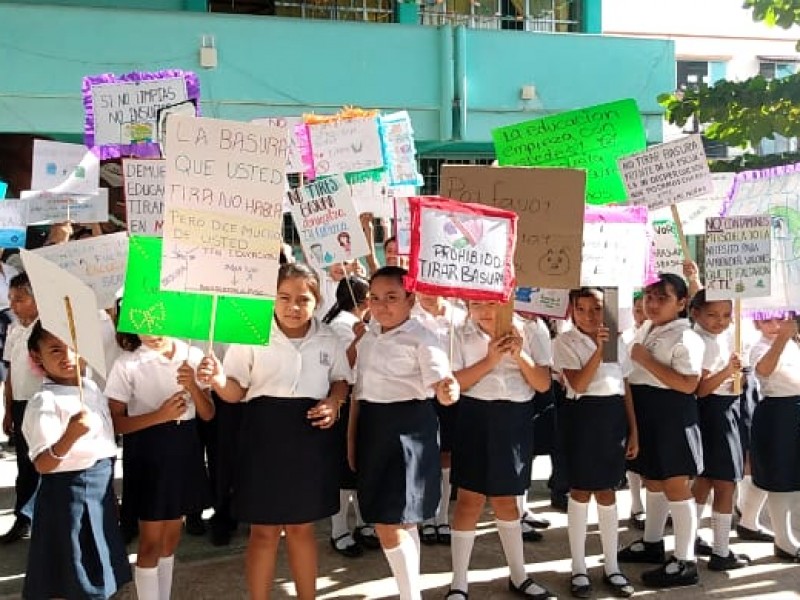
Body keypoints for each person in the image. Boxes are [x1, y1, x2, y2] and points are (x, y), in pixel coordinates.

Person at [199, 263, 351, 600]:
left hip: (310, 441)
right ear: (271, 297)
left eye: (303, 299)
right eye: (284, 297)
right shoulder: (252, 333)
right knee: (263, 532)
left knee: (301, 529)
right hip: (262, 441)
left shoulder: (329, 338)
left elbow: (341, 378)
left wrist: (334, 402)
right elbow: (235, 392)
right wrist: (217, 379)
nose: (292, 306)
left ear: (318, 300)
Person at [348, 266, 458, 600]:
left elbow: (441, 384)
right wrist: (352, 438)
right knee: (402, 521)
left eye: (392, 297)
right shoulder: (369, 334)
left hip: (407, 429)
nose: (382, 305)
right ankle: (410, 592)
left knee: (390, 520)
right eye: (375, 298)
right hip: (373, 426)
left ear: (411, 299)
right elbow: (358, 387)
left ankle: (410, 597)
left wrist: (447, 389)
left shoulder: (423, 337)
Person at [446, 300, 553, 600]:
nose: (485, 311)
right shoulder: (458, 333)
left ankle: (519, 576)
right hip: (475, 415)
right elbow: (456, 382)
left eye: (492, 304)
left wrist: (519, 356)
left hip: (515, 417)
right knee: (469, 501)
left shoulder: (530, 328)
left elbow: (543, 384)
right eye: (476, 304)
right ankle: (459, 583)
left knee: (508, 502)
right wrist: (491, 360)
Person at [21, 323, 131, 599]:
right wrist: (70, 435)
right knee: (77, 579)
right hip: (68, 499)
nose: (68, 356)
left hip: (99, 492)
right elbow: (43, 464)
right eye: (55, 350)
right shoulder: (44, 401)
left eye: (74, 347)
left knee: (100, 574)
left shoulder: (91, 387)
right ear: (37, 356)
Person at [105, 334, 213, 600]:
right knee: (150, 542)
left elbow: (208, 413)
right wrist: (160, 416)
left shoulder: (193, 356)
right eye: (144, 324)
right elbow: (115, 423)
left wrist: (194, 387)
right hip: (147, 451)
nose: (153, 333)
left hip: (184, 448)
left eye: (160, 323)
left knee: (171, 538)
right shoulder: (128, 363)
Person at [618, 273, 705, 588]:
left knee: (676, 485)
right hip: (646, 411)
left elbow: (688, 384)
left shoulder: (686, 337)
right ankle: (653, 542)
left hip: (672, 414)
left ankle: (685, 560)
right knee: (652, 479)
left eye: (662, 298)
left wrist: (646, 359)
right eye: (649, 297)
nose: (652, 304)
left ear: (682, 303)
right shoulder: (646, 327)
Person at [553, 288, 638, 598]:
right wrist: (600, 350)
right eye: (582, 309)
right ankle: (578, 567)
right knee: (580, 490)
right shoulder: (564, 341)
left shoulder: (617, 341)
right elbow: (578, 383)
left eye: (597, 308)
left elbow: (624, 385)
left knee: (608, 490)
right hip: (582, 416)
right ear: (572, 311)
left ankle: (612, 566)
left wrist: (633, 429)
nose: (590, 315)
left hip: (612, 416)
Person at [689, 290, 750, 570]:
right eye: (712, 314)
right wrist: (728, 372)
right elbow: (700, 389)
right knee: (724, 483)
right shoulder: (700, 343)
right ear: (696, 313)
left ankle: (692, 541)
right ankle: (721, 550)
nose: (720, 321)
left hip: (726, 408)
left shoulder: (723, 338)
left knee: (707, 480)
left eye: (726, 315)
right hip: (714, 411)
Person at [322, 275, 378, 556]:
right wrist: (360, 338)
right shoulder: (340, 325)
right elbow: (343, 365)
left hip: (367, 397)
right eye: (371, 295)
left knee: (363, 465)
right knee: (346, 467)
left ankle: (365, 523)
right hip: (347, 398)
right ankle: (339, 529)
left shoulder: (366, 323)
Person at [411, 293, 467, 546]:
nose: (430, 295)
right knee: (423, 454)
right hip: (419, 393)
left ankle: (442, 516)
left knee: (447, 454)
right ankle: (424, 516)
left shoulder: (460, 317)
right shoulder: (409, 316)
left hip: (452, 391)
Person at [749, 317, 800, 561]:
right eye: (767, 320)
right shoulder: (758, 346)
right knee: (780, 477)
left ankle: (748, 520)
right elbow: (764, 370)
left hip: (795, 408)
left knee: (788, 476)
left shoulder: (792, 343)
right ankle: (783, 539)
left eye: (780, 318)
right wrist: (781, 338)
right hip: (777, 411)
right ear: (757, 324)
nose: (775, 324)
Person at [1, 273, 43, 544]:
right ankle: (24, 517)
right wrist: (8, 410)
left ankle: (44, 518)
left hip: (42, 403)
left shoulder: (47, 329)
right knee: (24, 465)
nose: (13, 305)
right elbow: (11, 372)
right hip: (19, 404)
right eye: (11, 299)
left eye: (20, 299)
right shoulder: (15, 329)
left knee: (42, 462)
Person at [623, 291, 647, 530]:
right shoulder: (627, 335)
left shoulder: (657, 331)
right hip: (632, 394)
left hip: (653, 397)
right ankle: (636, 504)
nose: (643, 313)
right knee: (634, 452)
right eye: (638, 309)